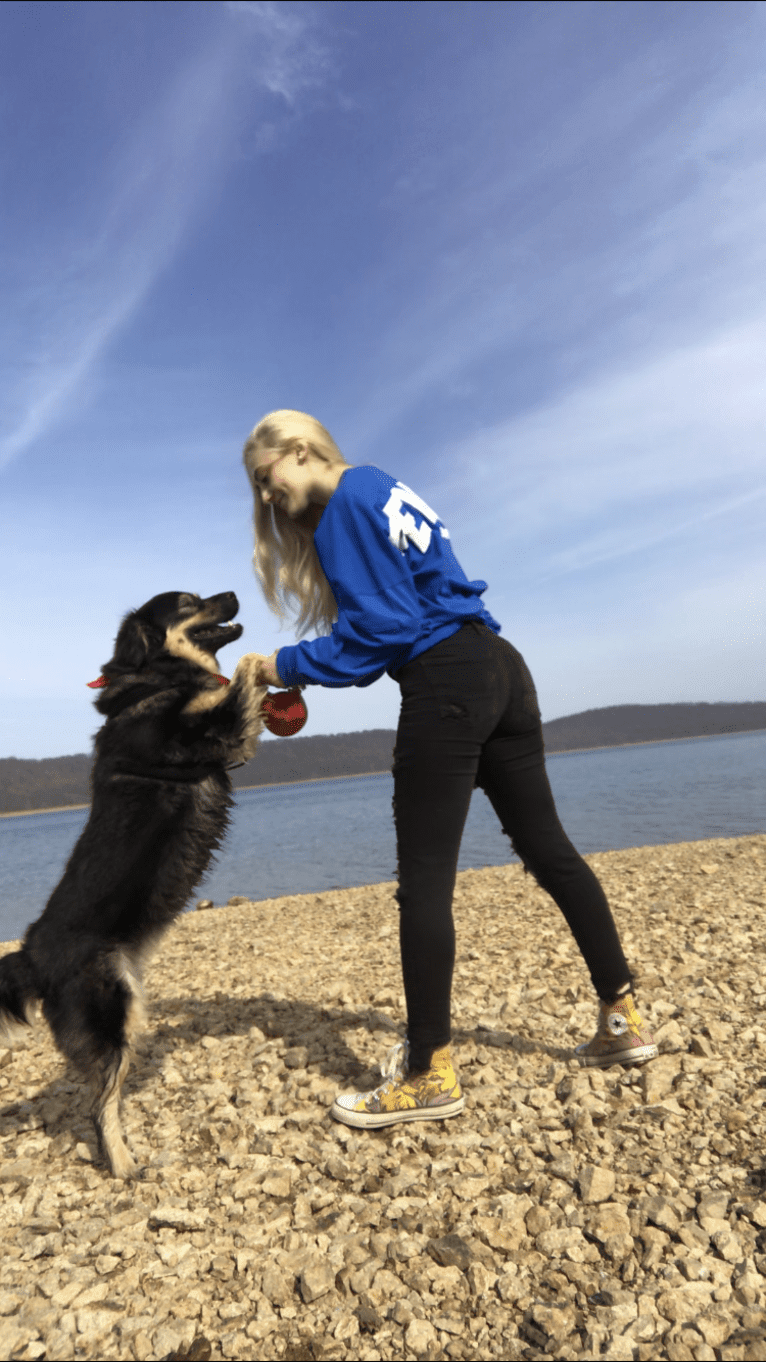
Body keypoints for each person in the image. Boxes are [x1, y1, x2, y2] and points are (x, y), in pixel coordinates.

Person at [242, 409, 657, 1131]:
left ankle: (428, 1070)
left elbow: (387, 630)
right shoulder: (380, 485)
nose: (266, 498)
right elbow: (405, 611)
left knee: (426, 881)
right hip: (501, 667)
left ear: (300, 450)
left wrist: (285, 664)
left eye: (265, 479)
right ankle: (622, 1018)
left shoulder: (344, 504)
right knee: (550, 851)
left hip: (446, 682)